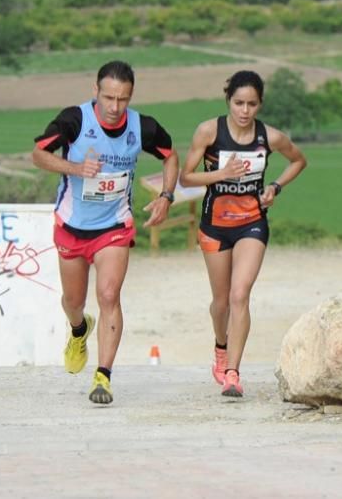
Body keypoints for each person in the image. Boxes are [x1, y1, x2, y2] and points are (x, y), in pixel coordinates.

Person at [32, 60, 179, 405]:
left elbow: (171, 157)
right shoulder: (74, 119)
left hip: (114, 226)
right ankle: (79, 330)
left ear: (131, 97)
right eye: (109, 98)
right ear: (95, 90)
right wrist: (74, 167)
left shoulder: (142, 127)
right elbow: (38, 154)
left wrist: (166, 196)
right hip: (72, 226)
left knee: (109, 295)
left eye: (123, 99)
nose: (114, 108)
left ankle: (103, 377)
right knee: (73, 302)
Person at [179, 70, 307, 397]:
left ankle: (233, 373)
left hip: (252, 222)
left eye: (252, 104)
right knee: (221, 303)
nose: (245, 111)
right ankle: (220, 347)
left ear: (260, 104)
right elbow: (187, 178)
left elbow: (298, 161)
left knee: (240, 295)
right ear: (228, 101)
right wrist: (222, 174)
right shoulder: (209, 132)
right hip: (214, 225)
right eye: (239, 103)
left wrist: (275, 187)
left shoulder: (270, 137)